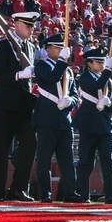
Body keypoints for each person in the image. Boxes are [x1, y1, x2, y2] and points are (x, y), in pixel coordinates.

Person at [0, 9, 39, 202]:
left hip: (24, 105)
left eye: (33, 26)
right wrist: (19, 75)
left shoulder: (31, 48)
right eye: (28, 26)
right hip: (6, 104)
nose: (31, 30)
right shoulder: (3, 46)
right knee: (1, 148)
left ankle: (18, 189)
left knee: (30, 144)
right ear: (16, 25)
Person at [32, 33, 80, 203]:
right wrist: (61, 62)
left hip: (64, 120)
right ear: (48, 48)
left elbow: (75, 94)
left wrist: (70, 101)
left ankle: (70, 193)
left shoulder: (67, 70)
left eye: (62, 48)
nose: (61, 51)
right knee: (44, 159)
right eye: (58, 47)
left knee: (66, 160)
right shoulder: (41, 65)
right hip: (46, 118)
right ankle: (45, 194)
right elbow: (52, 77)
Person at [72, 45, 112, 204]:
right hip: (89, 124)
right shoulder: (85, 77)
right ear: (89, 63)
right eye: (98, 62)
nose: (102, 65)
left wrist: (109, 103)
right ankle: (83, 194)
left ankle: (111, 194)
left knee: (107, 160)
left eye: (103, 62)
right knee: (86, 161)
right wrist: (107, 72)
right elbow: (95, 86)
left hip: (105, 125)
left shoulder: (108, 81)